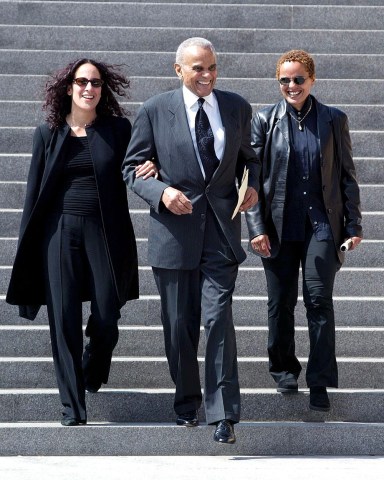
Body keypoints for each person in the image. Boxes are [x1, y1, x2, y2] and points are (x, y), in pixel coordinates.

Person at [122, 37, 260, 444]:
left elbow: (250, 157)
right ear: (178, 69)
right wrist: (161, 192)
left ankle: (224, 415)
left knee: (218, 319)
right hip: (173, 235)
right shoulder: (154, 110)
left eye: (212, 67)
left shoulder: (235, 106)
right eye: (198, 68)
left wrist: (252, 187)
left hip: (220, 232)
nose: (207, 75)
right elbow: (131, 168)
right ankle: (187, 402)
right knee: (179, 326)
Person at [6, 58, 157, 426]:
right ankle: (72, 409)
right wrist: (28, 253)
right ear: (68, 87)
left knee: (107, 311)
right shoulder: (48, 133)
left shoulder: (118, 130)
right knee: (64, 319)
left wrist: (152, 166)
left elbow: (136, 164)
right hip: (58, 233)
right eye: (82, 82)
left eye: (96, 83)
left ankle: (94, 361)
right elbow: (33, 195)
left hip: (104, 230)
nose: (89, 88)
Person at [245, 50, 362, 412]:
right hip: (278, 229)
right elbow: (251, 181)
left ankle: (320, 381)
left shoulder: (332, 119)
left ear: (311, 80)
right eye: (284, 80)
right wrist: (256, 227)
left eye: (298, 79)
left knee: (318, 301)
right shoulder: (264, 120)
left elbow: (347, 176)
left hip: (322, 227)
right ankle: (283, 371)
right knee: (280, 304)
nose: (291, 86)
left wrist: (354, 225)